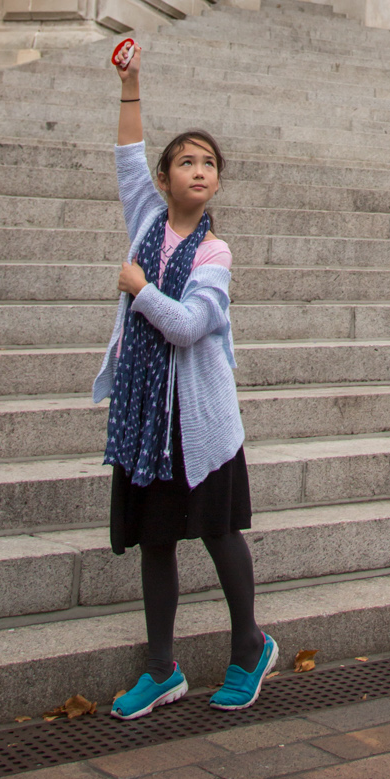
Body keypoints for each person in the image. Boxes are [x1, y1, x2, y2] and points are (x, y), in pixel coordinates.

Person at [95, 42, 276, 718]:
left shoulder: (214, 250)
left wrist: (140, 289)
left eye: (208, 163)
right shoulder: (146, 220)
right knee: (157, 542)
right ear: (166, 178)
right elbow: (123, 158)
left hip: (198, 421)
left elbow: (190, 326)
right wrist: (131, 85)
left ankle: (248, 646)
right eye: (185, 160)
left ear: (217, 185)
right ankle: (162, 668)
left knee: (219, 535)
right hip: (145, 414)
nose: (198, 169)